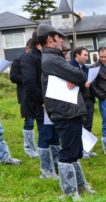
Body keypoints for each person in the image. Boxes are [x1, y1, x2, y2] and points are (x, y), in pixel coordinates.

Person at [39, 23, 94, 199]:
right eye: (58, 36)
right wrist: (75, 78)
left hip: (69, 109)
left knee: (75, 150)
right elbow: (80, 76)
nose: (62, 39)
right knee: (68, 152)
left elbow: (77, 78)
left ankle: (80, 186)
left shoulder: (56, 58)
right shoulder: (52, 59)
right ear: (49, 39)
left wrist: (74, 79)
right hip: (64, 111)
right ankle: (70, 193)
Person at [21, 31, 61, 179]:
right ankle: (46, 170)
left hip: (51, 102)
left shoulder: (44, 56)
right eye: (50, 41)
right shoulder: (29, 58)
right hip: (40, 104)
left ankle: (57, 165)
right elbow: (29, 83)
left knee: (54, 134)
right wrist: (42, 100)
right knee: (45, 134)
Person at [10, 39, 38, 158]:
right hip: (25, 95)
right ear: (27, 49)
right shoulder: (18, 60)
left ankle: (40, 146)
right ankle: (29, 148)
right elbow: (13, 77)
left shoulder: (36, 59)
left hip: (37, 93)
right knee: (29, 121)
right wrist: (28, 78)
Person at [69, 46, 96, 158]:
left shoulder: (86, 68)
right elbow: (69, 85)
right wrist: (82, 84)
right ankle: (79, 150)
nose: (87, 57)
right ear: (77, 55)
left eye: (87, 55)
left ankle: (87, 149)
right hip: (77, 101)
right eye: (85, 55)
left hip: (88, 100)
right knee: (79, 125)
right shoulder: (69, 67)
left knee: (88, 124)